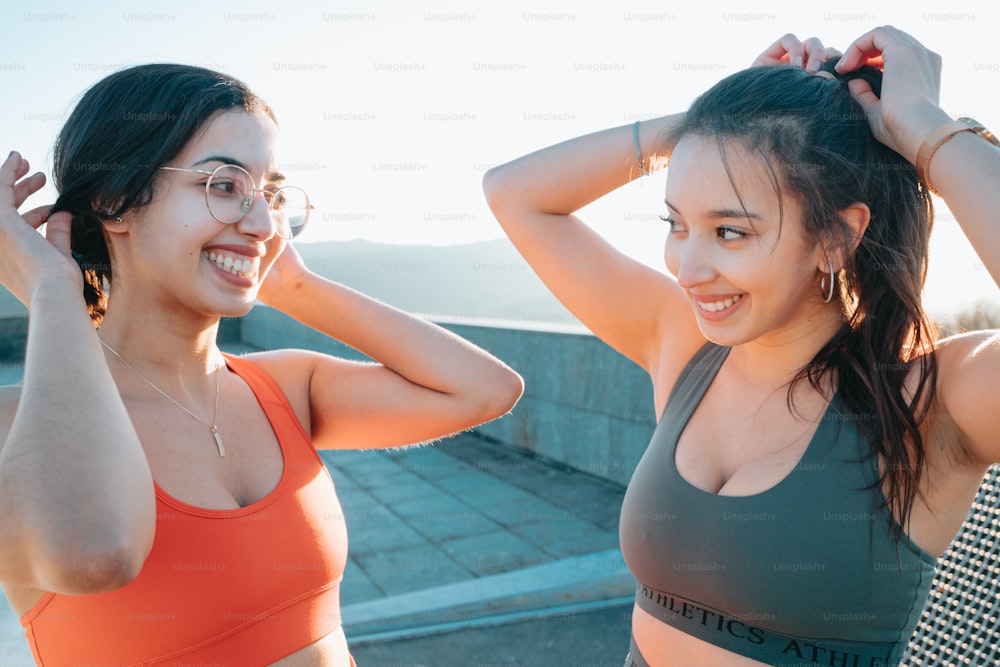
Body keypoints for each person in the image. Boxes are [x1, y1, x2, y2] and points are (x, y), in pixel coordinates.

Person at [483, 26, 1000, 667]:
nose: (687, 268)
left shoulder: (934, 400)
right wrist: (718, 121)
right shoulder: (682, 344)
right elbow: (514, 193)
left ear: (838, 236)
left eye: (729, 231)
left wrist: (926, 130)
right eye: (676, 225)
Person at [0, 63, 523, 666]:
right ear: (116, 200)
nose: (262, 223)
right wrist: (53, 291)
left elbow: (485, 390)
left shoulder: (284, 389)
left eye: (271, 194)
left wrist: (295, 285)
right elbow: (92, 554)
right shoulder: (18, 425)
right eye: (224, 185)